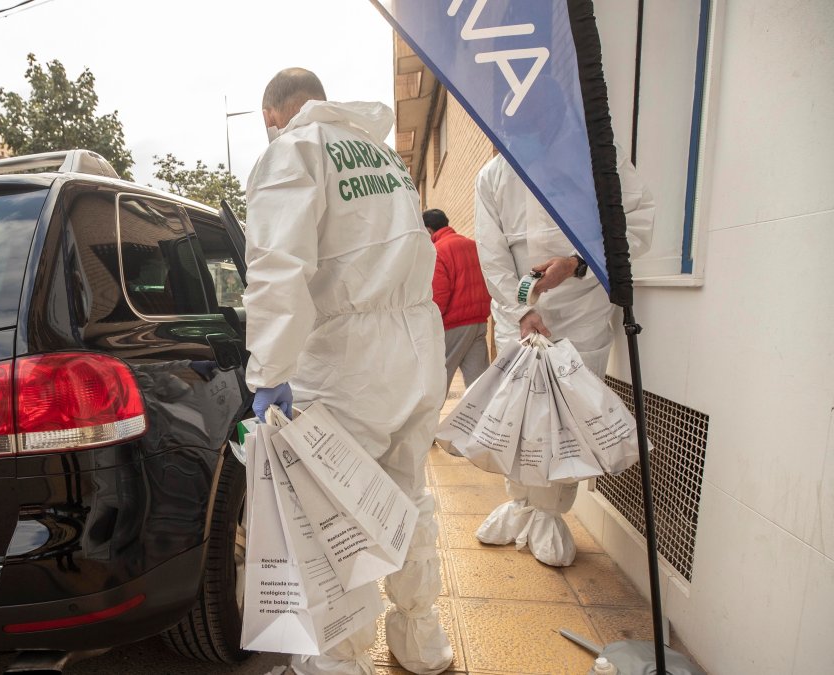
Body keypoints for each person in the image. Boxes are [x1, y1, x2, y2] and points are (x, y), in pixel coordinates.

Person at [244, 68, 454, 675]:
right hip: (415, 345)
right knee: (407, 499)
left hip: (345, 360)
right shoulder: (378, 153)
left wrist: (270, 372)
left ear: (273, 115)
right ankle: (421, 642)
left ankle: (338, 663)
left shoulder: (293, 151)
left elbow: (277, 269)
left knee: (335, 517)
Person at [473, 150, 654, 567]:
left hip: (582, 311)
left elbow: (636, 222)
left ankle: (550, 514)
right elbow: (493, 251)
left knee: (566, 423)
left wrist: (576, 264)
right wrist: (522, 309)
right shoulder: (493, 176)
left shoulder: (595, 160)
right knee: (516, 418)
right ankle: (519, 505)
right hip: (517, 315)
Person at [424, 208, 491, 395]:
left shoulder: (437, 251)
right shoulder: (473, 245)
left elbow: (439, 295)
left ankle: (427, 424)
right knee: (479, 386)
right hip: (479, 322)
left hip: (453, 326)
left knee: (436, 382)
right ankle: (484, 423)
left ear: (429, 230)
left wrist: (430, 325)